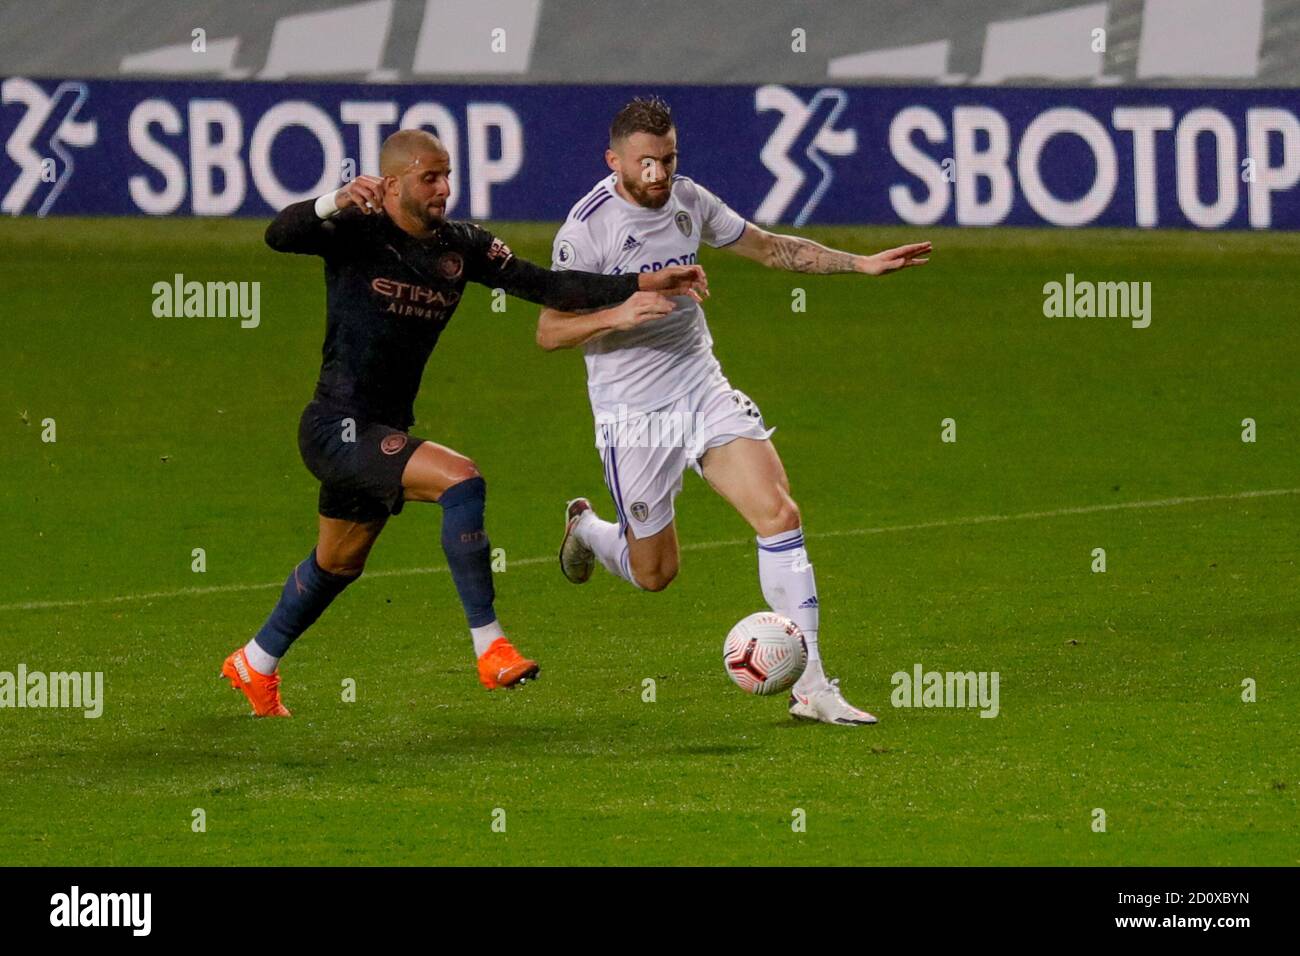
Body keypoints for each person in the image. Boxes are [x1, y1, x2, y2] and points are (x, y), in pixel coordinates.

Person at [222, 128, 707, 717]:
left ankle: (255, 661)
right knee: (462, 480)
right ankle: (491, 646)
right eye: (430, 177)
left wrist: (639, 282)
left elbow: (547, 284)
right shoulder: (357, 230)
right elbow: (279, 235)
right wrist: (333, 201)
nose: (444, 188)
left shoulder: (463, 246)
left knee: (338, 563)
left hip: (383, 430)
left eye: (448, 174)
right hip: (336, 428)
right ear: (393, 182)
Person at [542, 97, 930, 725]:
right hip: (633, 414)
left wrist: (860, 264)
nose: (658, 175)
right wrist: (622, 311)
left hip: (701, 387)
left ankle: (813, 688)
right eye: (645, 163)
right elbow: (549, 330)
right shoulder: (586, 230)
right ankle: (588, 529)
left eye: (668, 159)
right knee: (655, 573)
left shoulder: (689, 200)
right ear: (614, 160)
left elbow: (771, 248)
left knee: (779, 513)